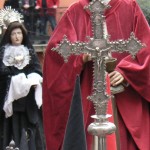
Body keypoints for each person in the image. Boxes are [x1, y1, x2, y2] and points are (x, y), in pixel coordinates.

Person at [43, 0, 150, 149]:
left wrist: (126, 71)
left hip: (124, 98)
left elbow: (146, 46)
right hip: (89, 95)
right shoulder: (76, 11)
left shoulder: (129, 7)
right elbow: (56, 51)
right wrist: (81, 57)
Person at [0, 8, 45, 149]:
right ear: (9, 35)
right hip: (10, 99)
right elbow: (2, 71)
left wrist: (33, 79)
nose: (17, 36)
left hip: (27, 100)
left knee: (29, 129)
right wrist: (14, 81)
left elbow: (36, 69)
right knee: (10, 128)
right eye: (13, 33)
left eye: (19, 33)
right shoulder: (3, 52)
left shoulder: (29, 51)